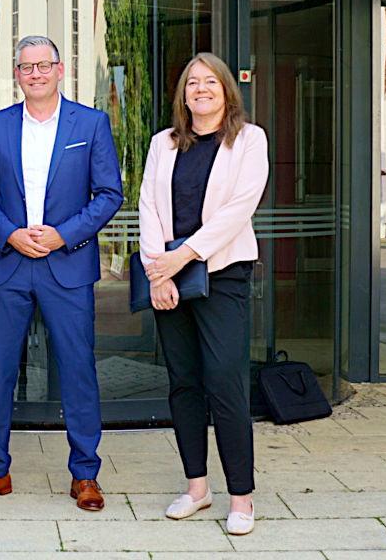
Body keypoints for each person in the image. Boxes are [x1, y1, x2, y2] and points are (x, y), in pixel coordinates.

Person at [0, 35, 123, 511]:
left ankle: (85, 475)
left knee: (78, 372)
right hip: (11, 266)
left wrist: (62, 235)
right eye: (26, 67)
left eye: (43, 65)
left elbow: (109, 194)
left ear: (59, 70)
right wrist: (11, 234)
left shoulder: (90, 124)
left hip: (67, 266)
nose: (34, 73)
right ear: (17, 74)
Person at [137, 52, 269, 535]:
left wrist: (183, 255)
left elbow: (238, 209)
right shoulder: (163, 143)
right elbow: (147, 204)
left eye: (210, 81)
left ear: (226, 89)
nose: (201, 89)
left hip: (222, 275)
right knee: (184, 382)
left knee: (225, 383)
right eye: (192, 82)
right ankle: (197, 488)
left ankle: (241, 498)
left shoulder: (249, 140)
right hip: (168, 277)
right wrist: (159, 271)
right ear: (183, 94)